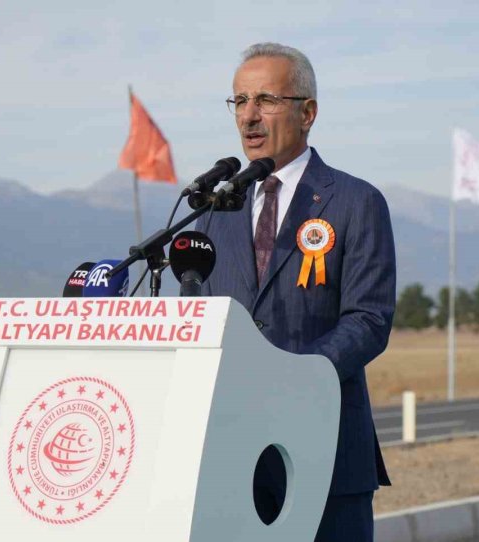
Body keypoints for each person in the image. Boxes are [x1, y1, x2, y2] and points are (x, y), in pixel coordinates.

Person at [198, 42, 395, 541]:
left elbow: (369, 320)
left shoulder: (355, 201)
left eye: (266, 99)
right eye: (240, 101)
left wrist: (293, 379)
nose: (249, 116)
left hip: (326, 447)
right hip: (232, 459)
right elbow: (200, 321)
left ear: (307, 113)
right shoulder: (214, 213)